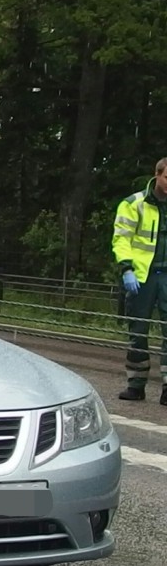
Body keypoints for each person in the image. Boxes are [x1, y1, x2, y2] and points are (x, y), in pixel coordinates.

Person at [113, 158, 167, 403]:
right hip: (142, 277)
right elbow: (122, 238)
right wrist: (126, 269)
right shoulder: (134, 204)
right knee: (138, 332)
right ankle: (136, 385)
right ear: (157, 175)